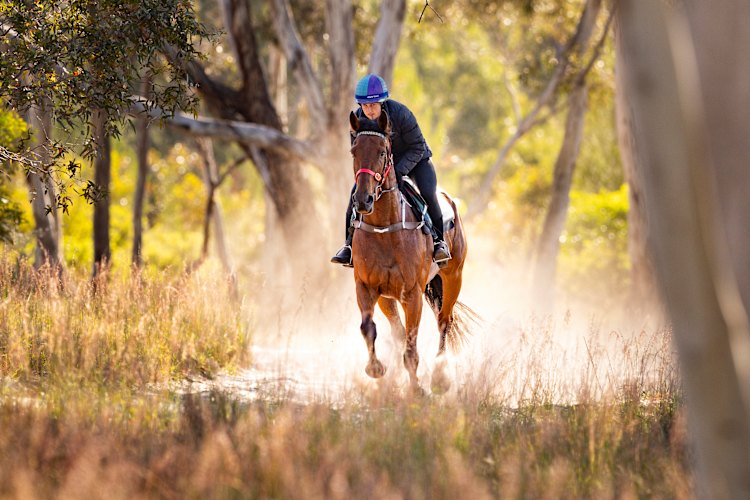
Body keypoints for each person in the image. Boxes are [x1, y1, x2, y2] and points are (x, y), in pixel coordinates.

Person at [331, 73, 452, 267]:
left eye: (373, 105)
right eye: (365, 105)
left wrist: (397, 171)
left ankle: (439, 242)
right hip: (380, 166)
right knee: (355, 195)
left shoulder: (401, 114)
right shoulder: (358, 121)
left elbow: (418, 146)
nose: (369, 111)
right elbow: (359, 153)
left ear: (382, 102)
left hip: (415, 160)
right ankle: (348, 247)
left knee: (428, 194)